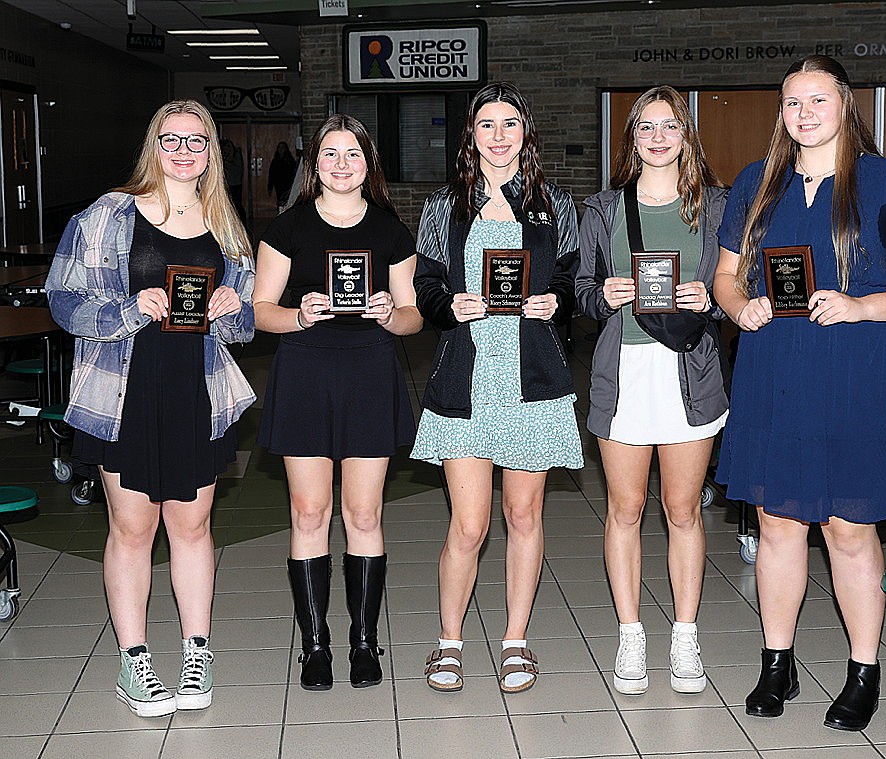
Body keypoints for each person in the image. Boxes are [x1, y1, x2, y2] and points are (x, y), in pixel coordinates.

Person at [712, 55, 886, 730]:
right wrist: (740, 308)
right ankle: (777, 664)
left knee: (849, 528)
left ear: (845, 105)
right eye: (792, 103)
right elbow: (727, 277)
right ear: (781, 113)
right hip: (772, 371)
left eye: (818, 99)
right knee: (778, 523)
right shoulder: (758, 183)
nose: (805, 113)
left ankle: (863, 669)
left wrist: (861, 306)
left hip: (854, 374)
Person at [45, 100, 256, 717]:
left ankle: (197, 652)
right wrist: (129, 310)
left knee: (192, 528)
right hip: (123, 393)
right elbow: (63, 301)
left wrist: (229, 310)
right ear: (153, 143)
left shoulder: (227, 224)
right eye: (172, 138)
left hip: (199, 391)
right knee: (133, 530)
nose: (184, 150)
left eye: (197, 140)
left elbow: (244, 326)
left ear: (212, 150)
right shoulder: (107, 216)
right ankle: (134, 660)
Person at [411, 82, 582, 694]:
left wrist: (553, 301)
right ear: (471, 135)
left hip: (531, 379)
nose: (501, 135)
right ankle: (449, 641)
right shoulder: (444, 206)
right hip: (467, 379)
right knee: (469, 524)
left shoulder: (554, 204)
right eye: (488, 124)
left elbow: (570, 279)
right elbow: (426, 284)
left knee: (524, 514)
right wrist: (447, 306)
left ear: (525, 132)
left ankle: (515, 641)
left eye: (512, 123)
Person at [254, 115, 422, 691]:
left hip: (369, 374)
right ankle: (316, 646)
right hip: (304, 373)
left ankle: (364, 642)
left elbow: (413, 317)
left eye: (353, 153)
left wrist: (388, 315)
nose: (342, 163)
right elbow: (260, 311)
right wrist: (297, 315)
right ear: (314, 162)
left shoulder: (392, 231)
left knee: (365, 515)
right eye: (331, 153)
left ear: (368, 163)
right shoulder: (286, 229)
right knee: (309, 514)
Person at [576, 85, 729, 696]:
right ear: (631, 137)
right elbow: (581, 291)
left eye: (670, 126)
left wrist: (711, 300)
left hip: (690, 376)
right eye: (646, 127)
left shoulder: (716, 208)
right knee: (625, 509)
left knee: (683, 511)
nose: (658, 137)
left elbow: (737, 288)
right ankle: (631, 633)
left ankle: (685, 637)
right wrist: (603, 296)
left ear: (685, 134)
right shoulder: (604, 209)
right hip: (625, 376)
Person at [267, 141, 297, 211]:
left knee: (287, 201)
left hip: (288, 184)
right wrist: (270, 187)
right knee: (280, 200)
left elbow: (293, 173)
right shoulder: (275, 161)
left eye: (282, 147)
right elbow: (271, 174)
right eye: (279, 147)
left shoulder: (290, 160)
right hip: (278, 184)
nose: (281, 149)